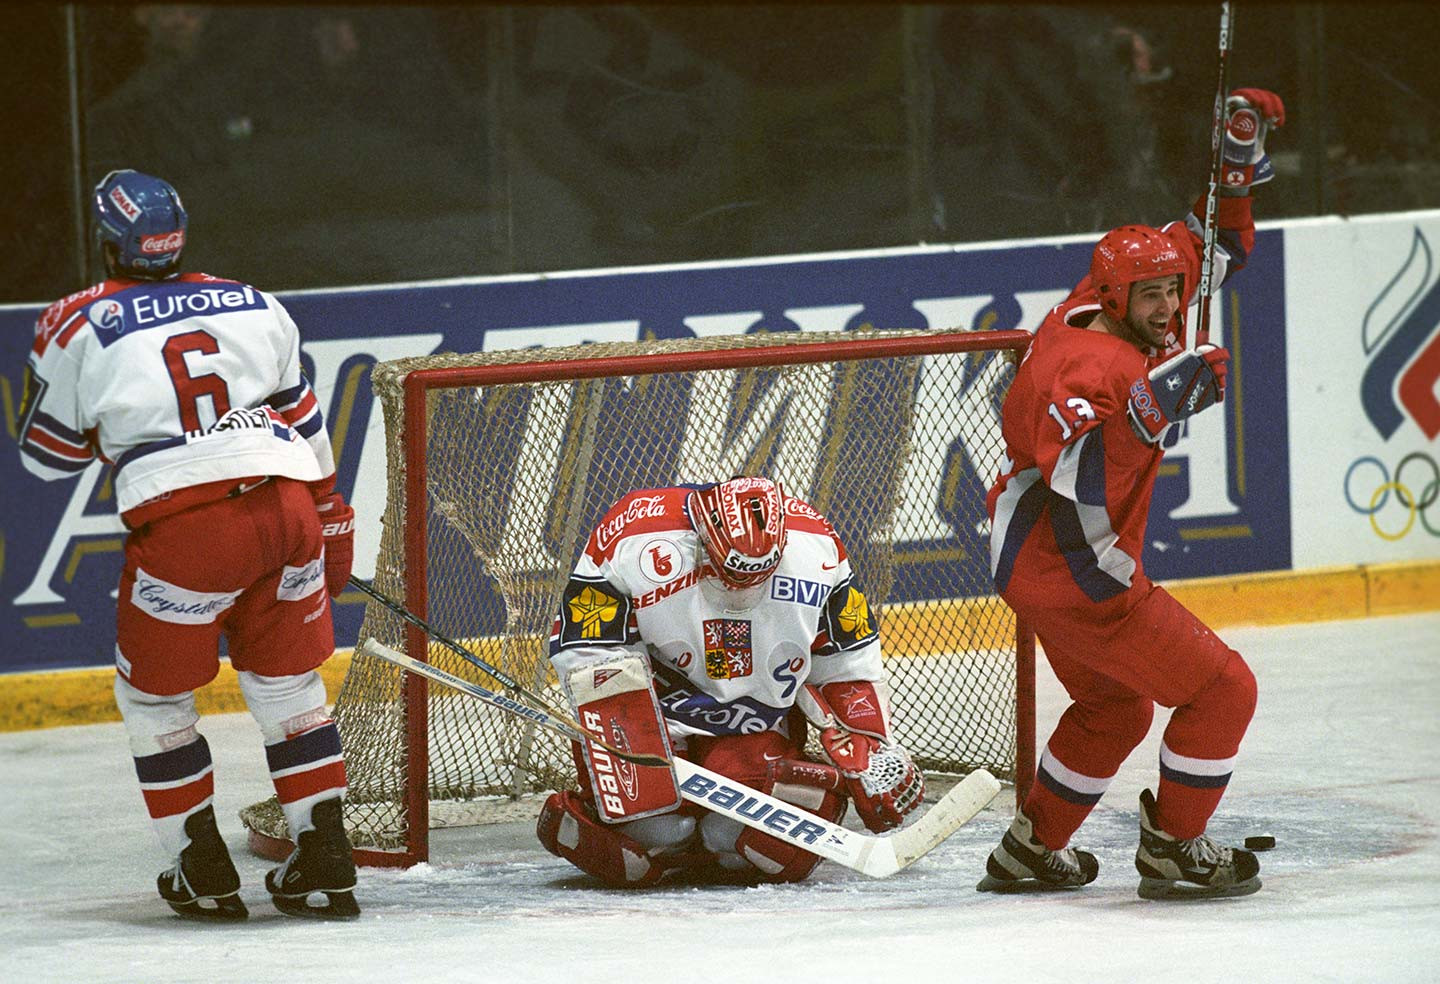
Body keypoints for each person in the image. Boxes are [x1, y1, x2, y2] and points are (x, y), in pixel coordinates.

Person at [17, 170, 359, 921]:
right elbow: (305, 422)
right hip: (289, 507)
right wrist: (331, 516)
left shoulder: (75, 322)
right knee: (290, 687)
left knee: (154, 698)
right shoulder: (253, 301)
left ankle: (200, 865)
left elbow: (46, 456)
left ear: (108, 241)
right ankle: (325, 856)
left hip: (188, 531)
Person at [979, 88, 1286, 900]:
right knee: (1224, 689)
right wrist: (1150, 412)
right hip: (1074, 567)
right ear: (1115, 299)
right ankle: (1175, 848)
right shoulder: (1077, 366)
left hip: (1038, 567)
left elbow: (1214, 245)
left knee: (1115, 711)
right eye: (1151, 297)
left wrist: (1236, 166)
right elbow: (1076, 475)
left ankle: (1029, 850)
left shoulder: (1126, 293)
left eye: (1172, 293)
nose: (1170, 308)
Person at [536, 476, 926, 885]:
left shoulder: (817, 546)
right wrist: (630, 730)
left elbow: (846, 659)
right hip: (655, 723)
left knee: (772, 851)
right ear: (701, 538)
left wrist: (871, 744)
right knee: (654, 834)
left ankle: (697, 843)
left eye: (758, 576)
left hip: (752, 730)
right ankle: (631, 827)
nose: (741, 590)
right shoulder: (636, 533)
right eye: (728, 574)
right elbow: (587, 646)